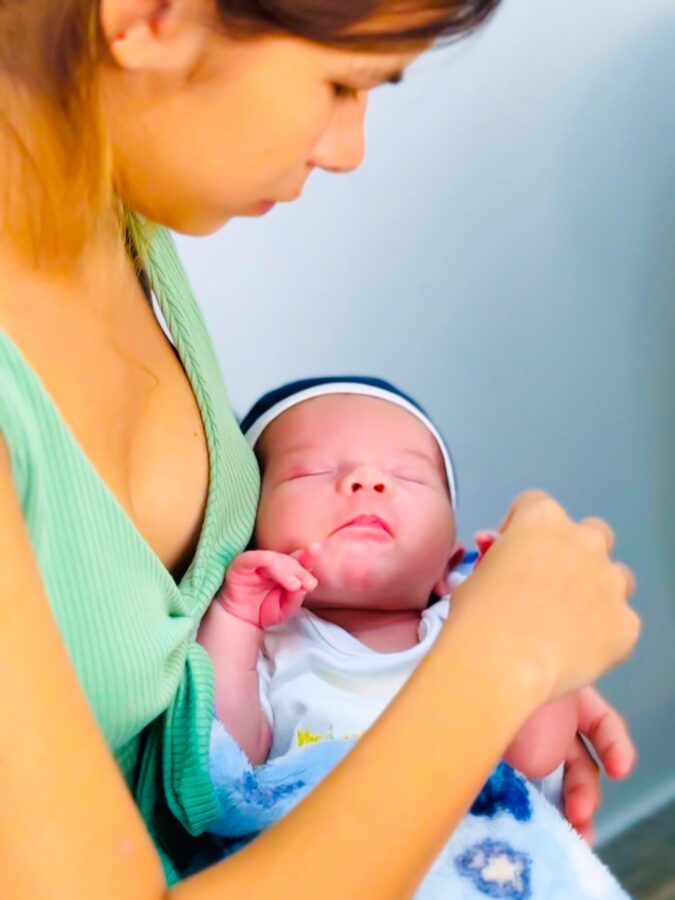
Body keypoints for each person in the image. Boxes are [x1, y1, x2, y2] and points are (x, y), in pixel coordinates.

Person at [0, 1, 640, 897]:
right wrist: (494, 669)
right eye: (342, 85)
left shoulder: (107, 202)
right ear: (148, 15)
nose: (349, 150)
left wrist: (467, 654)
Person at [196, 377, 628, 898]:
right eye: (311, 471)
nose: (367, 479)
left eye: (410, 476)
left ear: (450, 561)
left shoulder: (470, 626)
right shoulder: (266, 645)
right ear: (249, 531)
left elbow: (536, 756)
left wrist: (527, 609)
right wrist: (234, 618)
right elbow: (229, 770)